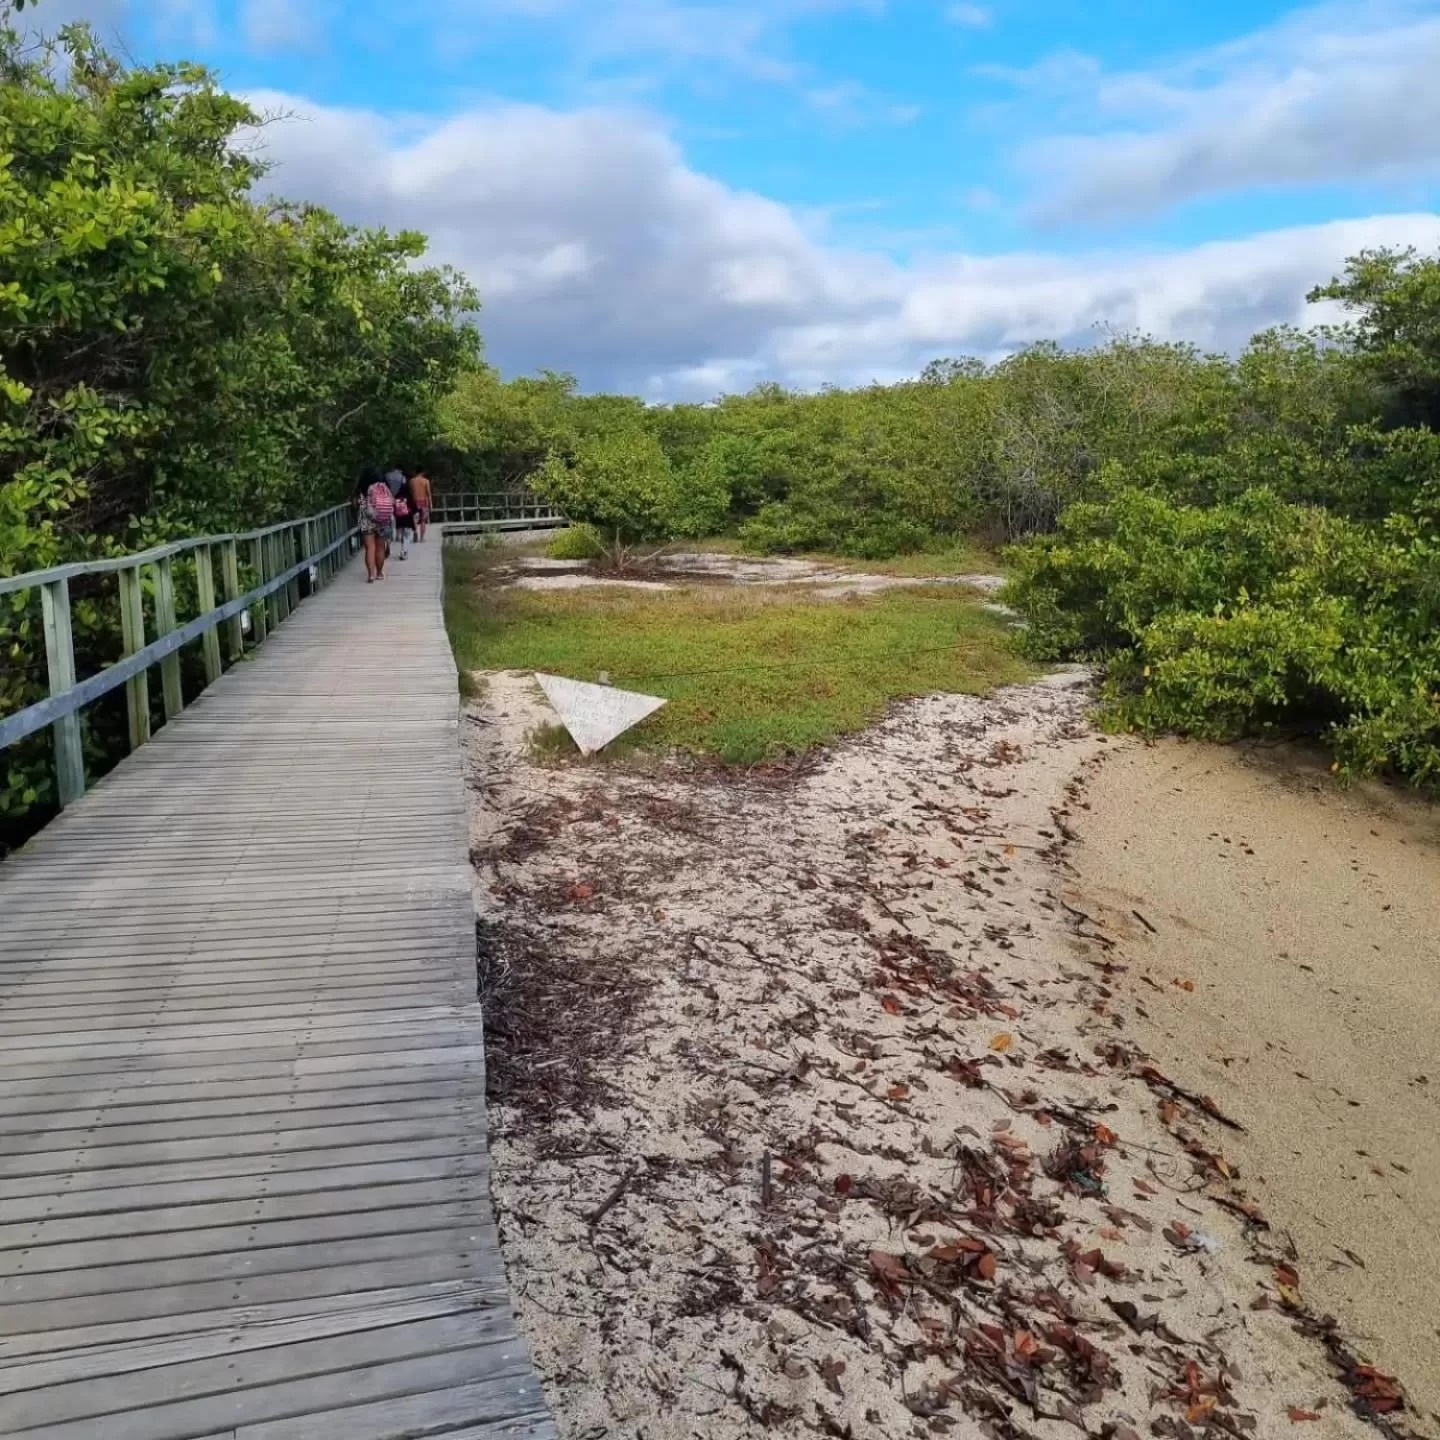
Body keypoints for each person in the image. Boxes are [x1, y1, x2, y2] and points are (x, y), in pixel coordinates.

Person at [354, 465, 394, 582]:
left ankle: (371, 575)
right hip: (382, 519)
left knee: (370, 548)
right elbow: (391, 501)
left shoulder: (361, 489)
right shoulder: (383, 487)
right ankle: (380, 573)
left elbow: (355, 504)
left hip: (366, 521)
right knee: (380, 548)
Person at [393, 478, 415, 560]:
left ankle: (403, 550)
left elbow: (394, 507)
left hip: (399, 519)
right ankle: (404, 552)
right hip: (407, 518)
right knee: (408, 536)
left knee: (403, 536)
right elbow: (414, 507)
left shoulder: (397, 496)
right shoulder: (409, 496)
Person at [409, 470, 433, 541]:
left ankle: (415, 532)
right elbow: (428, 493)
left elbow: (410, 492)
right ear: (422, 472)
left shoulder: (411, 481)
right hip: (423, 501)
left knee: (414, 519)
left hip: (414, 501)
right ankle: (422, 538)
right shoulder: (426, 481)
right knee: (423, 520)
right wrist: (430, 504)